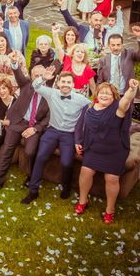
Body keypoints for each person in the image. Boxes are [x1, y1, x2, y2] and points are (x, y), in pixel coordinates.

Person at [21, 69, 91, 204]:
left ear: (73, 85)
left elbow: (93, 107)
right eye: (63, 82)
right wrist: (43, 77)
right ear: (58, 83)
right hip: (52, 131)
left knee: (66, 162)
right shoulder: (52, 93)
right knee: (40, 156)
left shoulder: (81, 99)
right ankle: (33, 191)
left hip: (69, 134)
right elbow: (35, 86)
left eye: (68, 82)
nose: (65, 84)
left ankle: (66, 187)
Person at [74, 80, 137, 224]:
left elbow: (126, 100)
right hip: (93, 148)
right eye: (102, 92)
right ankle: (83, 201)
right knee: (85, 172)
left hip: (114, 152)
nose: (104, 95)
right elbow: (80, 126)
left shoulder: (118, 109)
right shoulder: (89, 107)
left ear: (114, 97)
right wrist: (78, 141)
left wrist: (132, 89)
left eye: (108, 93)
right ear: (97, 94)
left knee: (111, 179)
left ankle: (110, 210)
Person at [0, 59, 50, 194]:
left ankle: (31, 177)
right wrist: (15, 64)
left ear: (46, 75)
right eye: (36, 75)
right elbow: (18, 74)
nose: (39, 77)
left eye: (41, 75)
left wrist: (35, 129)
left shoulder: (50, 93)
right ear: (31, 76)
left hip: (34, 126)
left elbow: (48, 118)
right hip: (18, 122)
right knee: (6, 150)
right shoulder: (27, 84)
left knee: (30, 151)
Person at [97, 28, 140, 94]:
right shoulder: (103, 60)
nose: (116, 48)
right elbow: (100, 81)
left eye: (118, 45)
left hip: (127, 93)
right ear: (109, 45)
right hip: (110, 94)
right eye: (113, 45)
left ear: (122, 45)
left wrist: (139, 37)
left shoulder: (129, 54)